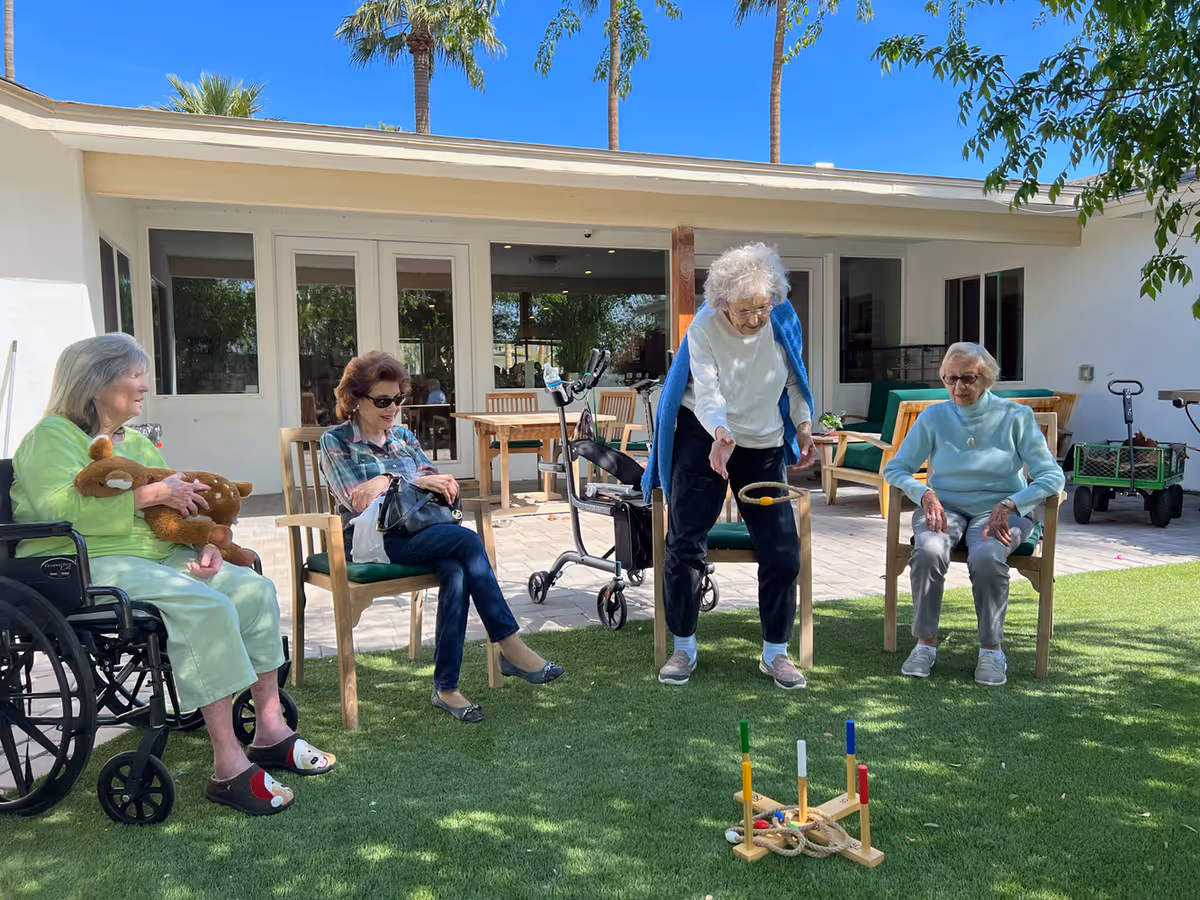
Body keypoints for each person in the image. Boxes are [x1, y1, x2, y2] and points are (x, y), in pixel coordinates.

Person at [11, 334, 334, 817]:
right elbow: (55, 507)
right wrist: (147, 495)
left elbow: (176, 511)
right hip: (82, 563)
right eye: (135, 375)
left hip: (151, 556)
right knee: (205, 604)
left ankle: (269, 729)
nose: (145, 386)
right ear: (97, 382)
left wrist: (206, 541)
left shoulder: (135, 441)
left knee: (252, 589)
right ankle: (227, 764)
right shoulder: (51, 436)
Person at [319, 351, 563, 723]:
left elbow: (440, 485)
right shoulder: (336, 441)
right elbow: (357, 498)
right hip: (371, 542)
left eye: (398, 399)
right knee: (466, 544)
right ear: (355, 400)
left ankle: (447, 688)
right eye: (382, 401)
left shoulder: (403, 437)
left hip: (423, 533)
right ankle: (509, 647)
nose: (392, 408)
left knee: (455, 567)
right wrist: (400, 480)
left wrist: (411, 481)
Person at [642, 242, 817, 689]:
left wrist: (801, 424)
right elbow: (706, 390)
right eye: (744, 311)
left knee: (781, 547)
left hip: (762, 442)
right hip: (703, 433)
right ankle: (683, 648)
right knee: (684, 542)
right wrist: (720, 434)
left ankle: (776, 654)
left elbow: (796, 378)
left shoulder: (780, 317)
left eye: (762, 307)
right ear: (722, 304)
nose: (755, 319)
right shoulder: (704, 327)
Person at [883, 342, 1065, 686]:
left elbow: (1052, 476)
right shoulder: (933, 416)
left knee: (987, 555)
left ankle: (991, 650)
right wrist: (924, 494)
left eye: (967, 378)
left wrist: (1012, 503)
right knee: (929, 550)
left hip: (999, 510)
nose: (957, 388)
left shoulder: (1016, 417)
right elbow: (897, 469)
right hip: (944, 506)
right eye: (949, 379)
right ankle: (925, 643)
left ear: (987, 378)